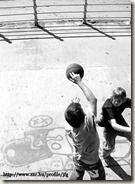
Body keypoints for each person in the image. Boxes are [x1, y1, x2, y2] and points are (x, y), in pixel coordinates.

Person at [64, 72, 105, 180]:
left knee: (78, 172)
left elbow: (69, 119)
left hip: (78, 158)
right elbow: (93, 100)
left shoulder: (68, 128)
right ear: (83, 116)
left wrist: (73, 106)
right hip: (92, 162)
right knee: (99, 178)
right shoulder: (89, 123)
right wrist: (79, 82)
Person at [97, 87, 131, 164]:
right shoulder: (107, 106)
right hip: (109, 127)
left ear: (123, 100)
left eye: (119, 101)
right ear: (112, 97)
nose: (116, 102)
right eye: (114, 99)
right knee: (110, 147)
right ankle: (105, 155)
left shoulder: (126, 101)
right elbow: (114, 125)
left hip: (119, 120)